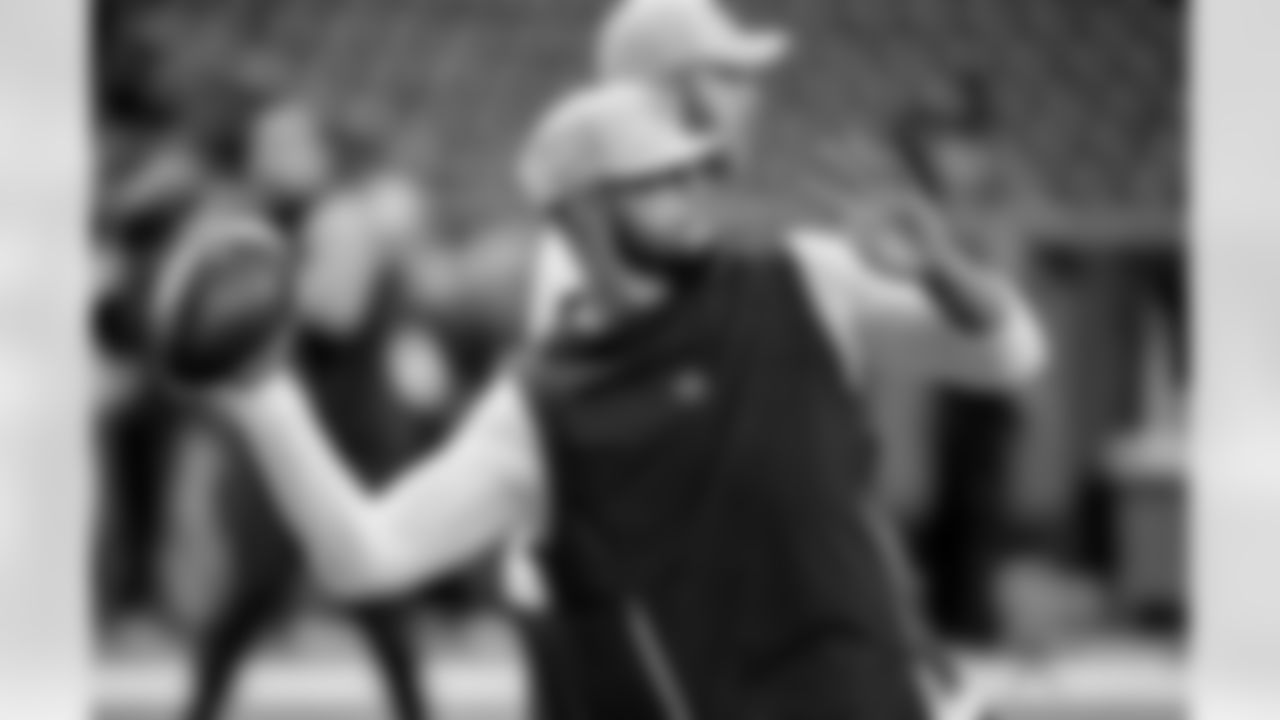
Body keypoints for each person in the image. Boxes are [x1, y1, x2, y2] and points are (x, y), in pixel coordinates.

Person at [155, 79, 1047, 719]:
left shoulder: (802, 281)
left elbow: (1012, 358)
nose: (692, 189)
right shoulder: (542, 406)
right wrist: (264, 396)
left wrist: (943, 269)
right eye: (657, 178)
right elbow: (369, 556)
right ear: (581, 211)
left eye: (693, 169)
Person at [167, 90, 437, 720]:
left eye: (287, 145)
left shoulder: (340, 219)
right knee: (248, 596)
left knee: (381, 602)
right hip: (287, 445)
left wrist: (246, 291)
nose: (272, 159)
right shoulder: (258, 225)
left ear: (319, 155)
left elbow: (335, 316)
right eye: (264, 147)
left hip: (354, 442)